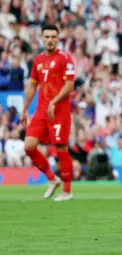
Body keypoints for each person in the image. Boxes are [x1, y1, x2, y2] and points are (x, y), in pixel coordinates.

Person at [21, 25, 75, 201]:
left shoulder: (65, 59)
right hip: (41, 111)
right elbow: (32, 86)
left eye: (53, 36)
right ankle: (52, 179)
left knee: (61, 148)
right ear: (42, 39)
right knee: (29, 146)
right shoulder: (38, 61)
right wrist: (24, 110)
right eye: (47, 37)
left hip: (59, 111)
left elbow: (69, 85)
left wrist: (54, 101)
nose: (50, 40)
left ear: (58, 38)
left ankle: (67, 191)